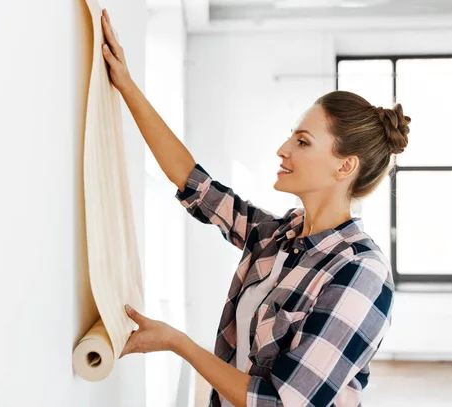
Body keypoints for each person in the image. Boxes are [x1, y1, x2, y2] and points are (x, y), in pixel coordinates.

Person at [100, 8, 411, 407]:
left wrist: (179, 344)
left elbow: (282, 402)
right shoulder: (280, 237)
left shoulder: (360, 273)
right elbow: (194, 184)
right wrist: (126, 85)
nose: (283, 150)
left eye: (302, 142)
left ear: (344, 166)